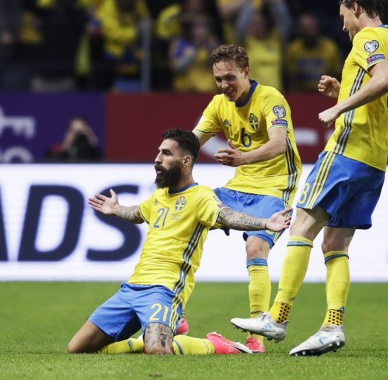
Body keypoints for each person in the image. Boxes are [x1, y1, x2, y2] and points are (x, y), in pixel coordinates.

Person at [231, 0, 388, 357]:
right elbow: (384, 89)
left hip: (346, 152)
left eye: (344, 16)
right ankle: (332, 326)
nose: (343, 25)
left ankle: (277, 317)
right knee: (335, 243)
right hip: (375, 160)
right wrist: (343, 89)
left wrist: (340, 106)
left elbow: (383, 80)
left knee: (302, 225)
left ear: (356, 8)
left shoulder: (367, 39)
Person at [67, 128, 291, 355]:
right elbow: (136, 213)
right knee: (76, 348)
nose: (157, 159)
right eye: (158, 153)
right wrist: (116, 209)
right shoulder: (158, 197)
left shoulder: (201, 196)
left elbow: (228, 216)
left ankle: (215, 344)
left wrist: (264, 223)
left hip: (165, 291)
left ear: (185, 161)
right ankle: (142, 340)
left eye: (166, 153)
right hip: (131, 289)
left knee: (158, 350)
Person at [193, 44, 302, 353]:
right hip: (238, 187)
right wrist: (172, 152)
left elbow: (279, 144)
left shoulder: (271, 98)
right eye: (218, 80)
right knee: (186, 215)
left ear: (246, 72)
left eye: (230, 78)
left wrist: (243, 158)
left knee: (255, 247)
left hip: (274, 187)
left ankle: (256, 338)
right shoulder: (218, 105)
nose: (224, 86)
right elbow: (192, 141)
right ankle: (175, 316)